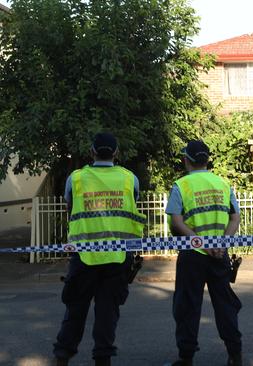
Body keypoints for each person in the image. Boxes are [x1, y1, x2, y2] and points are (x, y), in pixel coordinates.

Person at [53, 132, 146, 366]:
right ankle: (103, 358)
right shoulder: (129, 179)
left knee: (76, 308)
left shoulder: (76, 179)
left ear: (92, 152)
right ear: (116, 153)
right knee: (107, 312)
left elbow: (70, 209)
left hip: (84, 257)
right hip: (117, 257)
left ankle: (63, 356)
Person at [166, 140, 243, 366]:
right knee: (224, 304)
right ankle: (235, 354)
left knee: (188, 305)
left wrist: (200, 242)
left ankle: (186, 357)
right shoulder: (222, 183)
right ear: (207, 160)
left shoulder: (181, 185)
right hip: (220, 254)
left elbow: (177, 222)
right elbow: (235, 217)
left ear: (186, 160)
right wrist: (221, 243)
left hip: (192, 254)